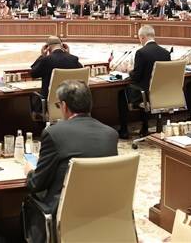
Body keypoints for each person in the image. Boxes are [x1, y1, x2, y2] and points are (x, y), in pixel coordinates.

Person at [23, 80, 118, 243]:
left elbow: (37, 184)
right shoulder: (110, 134)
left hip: (63, 216)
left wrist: (29, 172)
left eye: (58, 105)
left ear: (65, 106)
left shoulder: (54, 133)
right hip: (103, 213)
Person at [116, 26, 171, 139]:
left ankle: (124, 130)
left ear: (142, 37)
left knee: (122, 94)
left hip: (145, 95)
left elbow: (136, 77)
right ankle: (144, 127)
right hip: (162, 93)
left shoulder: (141, 52)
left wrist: (129, 71)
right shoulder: (165, 53)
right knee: (143, 90)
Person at [29, 36, 82, 118]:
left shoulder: (46, 60)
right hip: (71, 104)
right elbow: (81, 70)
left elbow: (33, 74)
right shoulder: (73, 59)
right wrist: (68, 54)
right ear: (62, 46)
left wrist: (42, 55)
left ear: (48, 47)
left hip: (48, 105)